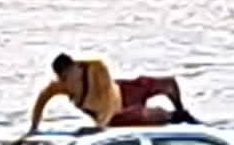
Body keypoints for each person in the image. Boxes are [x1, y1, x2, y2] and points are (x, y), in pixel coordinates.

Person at [28, 53, 197, 134]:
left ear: (76, 68)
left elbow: (107, 97)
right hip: (116, 115)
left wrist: (100, 126)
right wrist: (34, 127)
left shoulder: (96, 69)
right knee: (156, 116)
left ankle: (184, 113)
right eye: (61, 78)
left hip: (120, 93)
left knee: (168, 84)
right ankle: (177, 117)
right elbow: (41, 100)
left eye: (66, 76)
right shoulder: (60, 86)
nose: (65, 82)